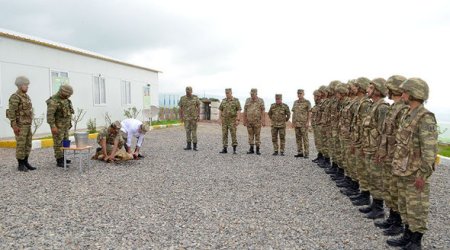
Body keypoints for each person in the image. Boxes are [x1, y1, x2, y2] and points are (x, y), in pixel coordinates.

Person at [387, 78, 438, 249]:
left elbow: (429, 150)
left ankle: (416, 241)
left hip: (415, 172)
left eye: (405, 92)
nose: (402, 95)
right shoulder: (408, 114)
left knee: (417, 207)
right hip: (402, 168)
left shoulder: (425, 117)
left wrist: (423, 174)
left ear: (414, 94)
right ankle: (407, 234)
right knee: (404, 205)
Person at [374, 75, 408, 236]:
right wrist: (382, 151)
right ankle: (393, 219)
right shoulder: (394, 107)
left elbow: (403, 138)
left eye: (389, 87)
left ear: (395, 88)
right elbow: (385, 133)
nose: (386, 90)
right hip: (389, 155)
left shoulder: (403, 110)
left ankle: (398, 223)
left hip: (396, 157)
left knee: (396, 190)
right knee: (389, 188)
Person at [359, 78, 389, 219]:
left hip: (376, 148)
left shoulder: (382, 107)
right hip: (369, 146)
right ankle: (373, 204)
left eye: (370, 88)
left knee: (377, 178)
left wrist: (381, 150)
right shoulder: (374, 105)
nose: (367, 90)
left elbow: (384, 131)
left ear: (377, 90)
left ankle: (379, 208)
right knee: (371, 176)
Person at [6, 76, 36, 172]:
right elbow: (12, 113)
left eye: (27, 85)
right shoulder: (15, 97)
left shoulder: (26, 97)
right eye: (25, 85)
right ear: (20, 85)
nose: (27, 87)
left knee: (28, 144)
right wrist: (14, 126)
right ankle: (20, 164)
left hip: (27, 124)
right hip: (20, 125)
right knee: (21, 145)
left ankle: (26, 162)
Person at [46, 84, 74, 167]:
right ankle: (59, 160)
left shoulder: (66, 100)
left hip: (65, 126)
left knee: (66, 142)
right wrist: (53, 126)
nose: (68, 96)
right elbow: (50, 116)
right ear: (63, 92)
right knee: (58, 143)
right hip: (58, 127)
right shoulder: (53, 101)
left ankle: (64, 157)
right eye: (68, 94)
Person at [218, 88, 241, 154]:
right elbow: (220, 109)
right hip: (224, 120)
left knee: (233, 134)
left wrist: (238, 119)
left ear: (231, 93)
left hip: (232, 120)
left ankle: (234, 149)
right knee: (224, 134)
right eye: (226, 93)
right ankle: (224, 148)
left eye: (228, 93)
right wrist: (219, 119)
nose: (227, 94)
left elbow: (239, 110)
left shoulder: (236, 101)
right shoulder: (223, 101)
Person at [243, 88, 265, 155]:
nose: (252, 95)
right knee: (250, 135)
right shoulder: (248, 100)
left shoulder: (260, 100)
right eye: (251, 94)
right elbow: (245, 111)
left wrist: (263, 120)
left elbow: (263, 111)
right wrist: (244, 120)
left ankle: (257, 149)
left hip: (257, 122)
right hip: (249, 121)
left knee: (257, 135)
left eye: (253, 94)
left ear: (256, 93)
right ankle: (251, 149)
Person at [178, 86, 201, 151]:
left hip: (194, 118)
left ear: (191, 91)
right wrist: (181, 117)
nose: (187, 93)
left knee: (194, 132)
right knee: (187, 131)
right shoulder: (182, 98)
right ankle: (188, 146)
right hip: (186, 118)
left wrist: (198, 115)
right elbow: (180, 108)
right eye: (186, 91)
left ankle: (195, 146)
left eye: (189, 91)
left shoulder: (195, 98)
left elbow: (198, 106)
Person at [291, 89, 311, 158]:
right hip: (297, 124)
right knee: (298, 139)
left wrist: (308, 122)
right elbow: (293, 113)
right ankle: (300, 152)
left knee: (305, 139)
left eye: (300, 93)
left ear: (303, 94)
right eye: (298, 93)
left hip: (303, 124)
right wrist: (293, 122)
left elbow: (309, 113)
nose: (299, 95)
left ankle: (306, 153)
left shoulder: (307, 102)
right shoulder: (295, 102)